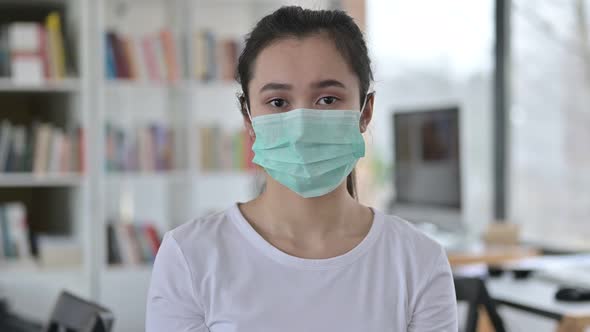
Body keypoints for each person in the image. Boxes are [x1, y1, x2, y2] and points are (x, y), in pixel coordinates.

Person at [146, 6, 457, 332]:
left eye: (327, 100)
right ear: (248, 117)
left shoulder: (419, 261)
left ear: (365, 112)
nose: (301, 126)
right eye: (278, 102)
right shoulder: (190, 257)